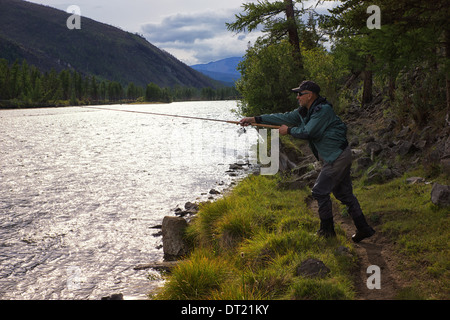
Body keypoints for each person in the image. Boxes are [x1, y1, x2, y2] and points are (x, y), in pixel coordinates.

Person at [240, 80, 375, 242]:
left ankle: (327, 232)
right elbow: (282, 117)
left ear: (310, 95)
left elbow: (309, 132)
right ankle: (364, 228)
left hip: (336, 157)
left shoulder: (322, 111)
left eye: (300, 94)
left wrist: (288, 130)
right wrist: (254, 118)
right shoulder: (305, 112)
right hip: (336, 156)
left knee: (319, 191)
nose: (297, 97)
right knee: (344, 194)